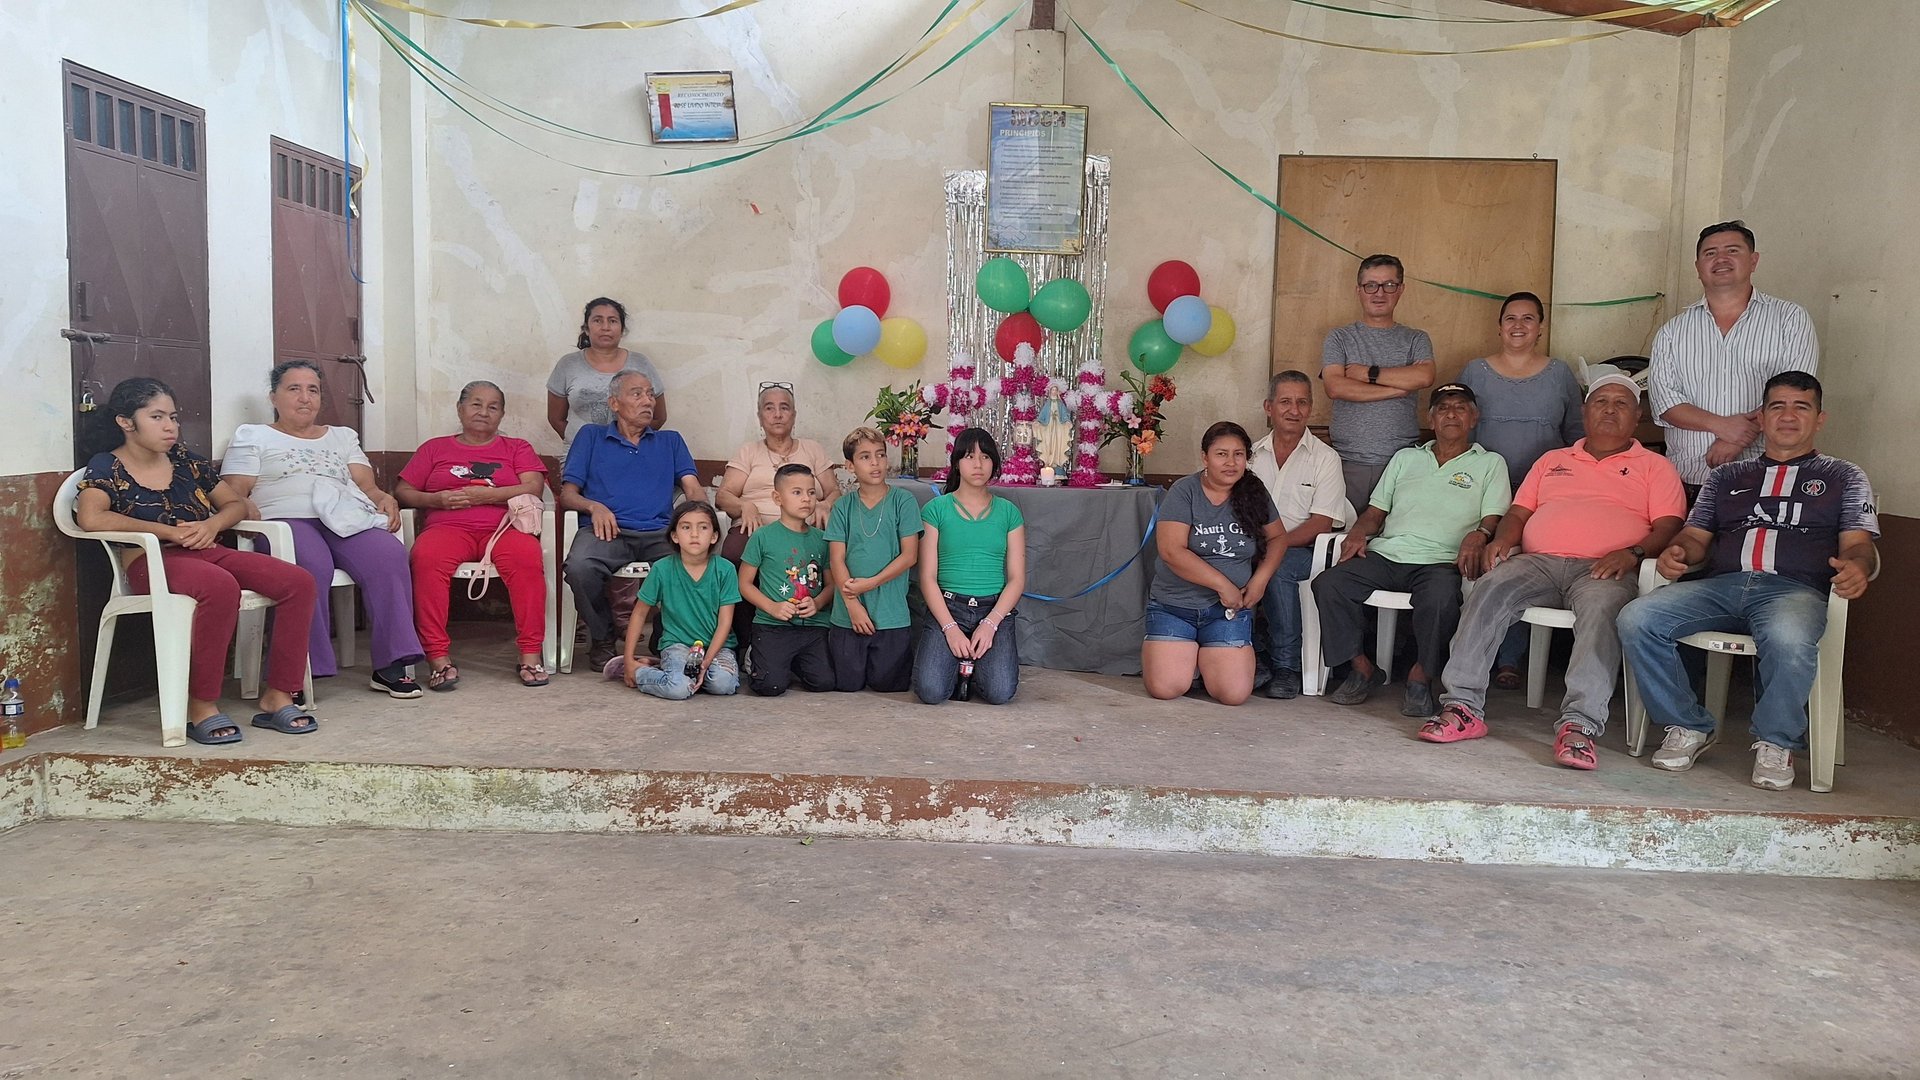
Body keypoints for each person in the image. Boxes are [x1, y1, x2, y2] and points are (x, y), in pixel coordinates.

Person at [1620, 372, 1878, 790]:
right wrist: (1679, 552)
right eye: (1778, 406)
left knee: (1790, 635)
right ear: (1762, 416)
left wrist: (1857, 566)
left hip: (1794, 592)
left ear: (1820, 419)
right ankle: (1687, 725)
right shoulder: (1726, 476)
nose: (1788, 416)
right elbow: (1695, 536)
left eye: (1801, 407)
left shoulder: (1843, 476)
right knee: (1637, 618)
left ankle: (1776, 742)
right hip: (1722, 586)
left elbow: (1858, 544)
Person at [1428, 374, 1687, 770]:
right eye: (1601, 402)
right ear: (1584, 412)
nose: (1610, 410)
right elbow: (1518, 511)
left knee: (1603, 609)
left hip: (1604, 568)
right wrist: (1501, 540)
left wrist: (1633, 552)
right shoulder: (1553, 460)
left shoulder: (1654, 466)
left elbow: (1668, 525)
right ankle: (1462, 708)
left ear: (1637, 417)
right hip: (1539, 561)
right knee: (1490, 586)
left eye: (1621, 404)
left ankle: (1579, 726)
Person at [75, 378, 318, 743]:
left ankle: (279, 694)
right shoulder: (107, 465)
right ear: (126, 422)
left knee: (298, 582)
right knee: (220, 587)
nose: (170, 426)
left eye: (172, 417)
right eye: (156, 417)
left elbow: (235, 503)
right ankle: (201, 705)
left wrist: (212, 523)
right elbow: (91, 518)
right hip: (151, 562)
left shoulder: (186, 462)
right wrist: (167, 532)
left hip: (209, 550)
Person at [223, 360, 426, 698]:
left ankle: (392, 664)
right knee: (310, 563)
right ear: (273, 397)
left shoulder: (342, 437)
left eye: (313, 390)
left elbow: (367, 486)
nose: (305, 398)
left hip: (343, 517)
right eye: (294, 389)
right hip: (283, 521)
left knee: (388, 554)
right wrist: (243, 504)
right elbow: (234, 490)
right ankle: (299, 671)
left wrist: (382, 497)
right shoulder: (254, 436)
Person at [1310, 385, 1510, 717]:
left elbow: (1495, 515)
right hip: (1388, 553)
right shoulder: (1406, 458)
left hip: (1442, 560)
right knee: (1329, 584)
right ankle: (1362, 668)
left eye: (1460, 408)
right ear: (1430, 418)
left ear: (1474, 417)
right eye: (1443, 408)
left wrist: (1481, 533)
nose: (1451, 414)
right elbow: (1376, 512)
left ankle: (1421, 676)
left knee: (1441, 599)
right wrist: (1358, 531)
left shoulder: (1489, 463)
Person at [1456, 291, 1586, 690]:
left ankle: (1511, 658)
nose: (1518, 325)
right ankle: (1471, 657)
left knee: (1526, 568)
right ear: (1498, 326)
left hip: (1543, 493)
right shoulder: (1475, 372)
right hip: (1483, 487)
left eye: (1528, 319)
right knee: (1485, 564)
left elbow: (1576, 436)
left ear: (1541, 327)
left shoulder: (1559, 374)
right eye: (1510, 318)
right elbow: (1461, 430)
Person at [395, 380, 550, 690]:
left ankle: (530, 654)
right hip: (447, 527)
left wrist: (485, 497)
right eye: (476, 404)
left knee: (526, 557)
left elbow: (533, 487)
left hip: (505, 526)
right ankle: (438, 658)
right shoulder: (434, 448)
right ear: (460, 409)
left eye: (493, 407)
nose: (484, 412)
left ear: (502, 415)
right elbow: (402, 491)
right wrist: (435, 500)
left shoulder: (517, 448)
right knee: (426, 559)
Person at [1649, 221, 1819, 494]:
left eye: (1732, 250)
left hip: (1769, 475)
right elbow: (1666, 403)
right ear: (1698, 267)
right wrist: (1722, 427)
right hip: (1690, 478)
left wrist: (1737, 441)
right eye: (1710, 253)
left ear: (1753, 261)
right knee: (1687, 539)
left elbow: (1795, 395)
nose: (1721, 259)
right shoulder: (1672, 332)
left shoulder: (1790, 319)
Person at [559, 369, 704, 670]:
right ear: (614, 403)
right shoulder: (591, 437)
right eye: (636, 393)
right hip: (607, 531)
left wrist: (697, 522)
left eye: (650, 394)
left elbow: (693, 490)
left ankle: (665, 637)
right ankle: (601, 637)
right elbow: (567, 495)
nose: (647, 400)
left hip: (660, 532)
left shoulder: (670, 441)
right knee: (580, 566)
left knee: (696, 558)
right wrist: (593, 506)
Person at [1141, 422, 1286, 706]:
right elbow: (1171, 551)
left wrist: (1260, 580)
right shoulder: (1184, 491)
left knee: (1233, 695)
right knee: (1167, 687)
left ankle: (1202, 660)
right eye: (1221, 454)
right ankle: (1188, 660)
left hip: (1228, 612)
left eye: (1239, 454)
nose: (1231, 462)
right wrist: (1223, 585)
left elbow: (1279, 538)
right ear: (1205, 457)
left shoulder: (1254, 491)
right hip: (1176, 607)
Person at [1248, 370, 1349, 699]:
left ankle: (1286, 667)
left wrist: (1273, 546)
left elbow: (1321, 523)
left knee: (1277, 569)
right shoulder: (1249, 455)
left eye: (1302, 402)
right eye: (1285, 402)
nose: (1294, 410)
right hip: (1251, 546)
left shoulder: (1325, 459)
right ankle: (1248, 656)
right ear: (1268, 407)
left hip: (1304, 551)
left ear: (1311, 408)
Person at [912, 429, 1026, 706]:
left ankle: (971, 668)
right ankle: (958, 661)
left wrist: (990, 623)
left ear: (994, 463)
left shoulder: (1009, 512)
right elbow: (927, 577)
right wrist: (950, 627)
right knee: (930, 692)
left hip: (993, 609)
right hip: (948, 607)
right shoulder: (936, 509)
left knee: (999, 693)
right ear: (956, 463)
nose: (978, 464)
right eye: (969, 456)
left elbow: (1016, 578)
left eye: (985, 457)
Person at [1320, 254, 1436, 507]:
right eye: (1371, 285)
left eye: (1389, 285)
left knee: (1394, 543)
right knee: (1342, 539)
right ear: (1358, 290)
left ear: (1401, 289)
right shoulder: (1340, 337)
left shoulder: (1416, 338)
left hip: (1403, 464)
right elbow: (1335, 387)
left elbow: (1424, 376)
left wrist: (1368, 374)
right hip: (1347, 463)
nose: (1379, 293)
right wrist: (1395, 389)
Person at [826, 426, 923, 693]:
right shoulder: (843, 507)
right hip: (848, 616)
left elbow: (910, 555)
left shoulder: (903, 501)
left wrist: (869, 584)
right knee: (848, 685)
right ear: (850, 465)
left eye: (880, 455)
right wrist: (852, 604)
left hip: (891, 616)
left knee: (887, 685)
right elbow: (836, 559)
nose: (875, 463)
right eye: (865, 457)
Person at [615, 501, 743, 700]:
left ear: (714, 536)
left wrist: (706, 662)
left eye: (703, 527)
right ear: (674, 536)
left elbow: (725, 622)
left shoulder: (725, 570)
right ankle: (640, 671)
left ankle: (673, 672)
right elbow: (639, 613)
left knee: (723, 684)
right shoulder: (661, 569)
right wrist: (628, 659)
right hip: (678, 644)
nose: (694, 534)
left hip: (717, 647)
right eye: (686, 527)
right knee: (678, 688)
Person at [738, 464, 838, 696]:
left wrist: (818, 602)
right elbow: (744, 583)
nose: (806, 499)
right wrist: (772, 607)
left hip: (813, 627)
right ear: (777, 497)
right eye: (797, 492)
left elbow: (832, 584)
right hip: (773, 626)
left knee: (824, 682)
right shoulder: (762, 536)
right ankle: (757, 655)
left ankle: (788, 662)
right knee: (769, 686)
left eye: (811, 492)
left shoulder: (822, 539)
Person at [546, 296, 668, 443]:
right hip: (582, 452)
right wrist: (579, 442)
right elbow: (555, 418)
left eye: (613, 321)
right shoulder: (568, 364)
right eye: (598, 320)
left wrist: (631, 442)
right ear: (586, 328)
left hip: (630, 451)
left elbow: (659, 417)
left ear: (622, 329)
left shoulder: (640, 363)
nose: (605, 327)